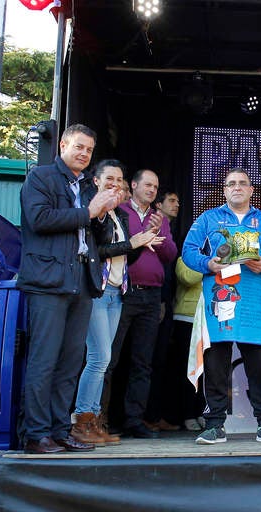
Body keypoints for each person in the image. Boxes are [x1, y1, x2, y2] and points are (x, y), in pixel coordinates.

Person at [16, 123, 118, 454]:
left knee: (71, 361)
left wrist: (101, 217)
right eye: (78, 147)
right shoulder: (40, 177)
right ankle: (36, 433)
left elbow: (99, 239)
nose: (84, 154)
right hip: (47, 281)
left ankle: (60, 430)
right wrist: (87, 212)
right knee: (44, 360)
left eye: (89, 150)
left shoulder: (89, 185)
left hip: (81, 282)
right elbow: (39, 219)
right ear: (62, 145)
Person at [182, 167, 261, 445]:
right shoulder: (208, 218)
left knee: (259, 365)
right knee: (216, 363)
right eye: (231, 184)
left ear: (251, 190)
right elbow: (189, 250)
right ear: (224, 190)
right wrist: (209, 263)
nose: (237, 187)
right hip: (220, 297)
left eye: (242, 183)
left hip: (253, 299)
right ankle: (214, 424)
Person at [71, 160, 163, 446]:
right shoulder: (93, 213)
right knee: (99, 359)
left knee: (105, 359)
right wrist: (132, 243)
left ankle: (94, 420)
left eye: (119, 179)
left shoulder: (117, 217)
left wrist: (140, 244)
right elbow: (98, 250)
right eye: (109, 178)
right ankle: (81, 421)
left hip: (116, 293)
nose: (115, 183)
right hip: (97, 292)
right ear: (96, 181)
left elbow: (125, 257)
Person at [102, 169, 177, 439]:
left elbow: (170, 255)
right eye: (147, 185)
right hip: (122, 292)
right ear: (133, 185)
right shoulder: (120, 211)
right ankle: (100, 419)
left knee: (142, 362)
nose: (152, 190)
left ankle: (135, 420)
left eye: (156, 187)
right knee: (109, 358)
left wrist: (159, 234)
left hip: (151, 295)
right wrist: (141, 238)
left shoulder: (160, 218)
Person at [144, 189, 182, 432]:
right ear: (158, 204)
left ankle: (155, 415)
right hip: (151, 299)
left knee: (160, 361)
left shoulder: (171, 231)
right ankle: (142, 416)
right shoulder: (149, 224)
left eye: (178, 201)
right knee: (146, 360)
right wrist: (160, 300)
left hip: (166, 302)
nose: (177, 204)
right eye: (171, 200)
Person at [172, 257, 207, 431]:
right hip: (187, 318)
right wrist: (209, 264)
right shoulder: (185, 258)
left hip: (210, 320)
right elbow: (187, 278)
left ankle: (202, 411)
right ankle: (187, 414)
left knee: (207, 371)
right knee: (188, 370)